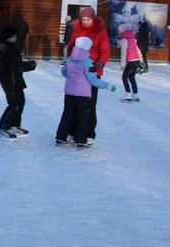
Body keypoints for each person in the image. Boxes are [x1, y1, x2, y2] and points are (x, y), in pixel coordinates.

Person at [56, 37, 116, 148]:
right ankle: (81, 140)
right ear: (88, 48)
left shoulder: (69, 60)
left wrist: (71, 78)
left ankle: (61, 137)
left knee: (67, 114)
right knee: (82, 117)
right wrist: (107, 85)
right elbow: (93, 80)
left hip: (69, 93)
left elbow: (64, 72)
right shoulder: (88, 63)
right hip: (83, 95)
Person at [65, 7, 110, 145]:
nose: (85, 22)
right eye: (83, 19)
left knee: (90, 105)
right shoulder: (76, 30)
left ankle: (89, 133)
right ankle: (72, 131)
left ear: (93, 19)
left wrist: (99, 64)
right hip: (77, 72)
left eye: (87, 20)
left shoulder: (100, 32)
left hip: (92, 72)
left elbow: (105, 51)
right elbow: (71, 48)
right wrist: (68, 63)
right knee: (72, 104)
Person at [0, 25, 36, 141]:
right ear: (8, 37)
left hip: (16, 79)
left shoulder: (11, 47)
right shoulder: (5, 49)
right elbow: (14, 65)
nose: (16, 37)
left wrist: (25, 65)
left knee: (21, 102)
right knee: (13, 104)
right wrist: (29, 65)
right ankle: (3, 128)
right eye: (14, 36)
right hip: (9, 80)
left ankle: (14, 125)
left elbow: (17, 63)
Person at [118, 24, 143, 102]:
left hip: (131, 62)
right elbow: (137, 50)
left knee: (124, 77)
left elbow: (124, 52)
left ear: (123, 31)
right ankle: (135, 95)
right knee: (132, 77)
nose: (119, 31)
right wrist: (141, 60)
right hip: (136, 61)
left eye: (119, 30)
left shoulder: (125, 39)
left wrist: (122, 65)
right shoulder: (132, 38)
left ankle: (128, 95)